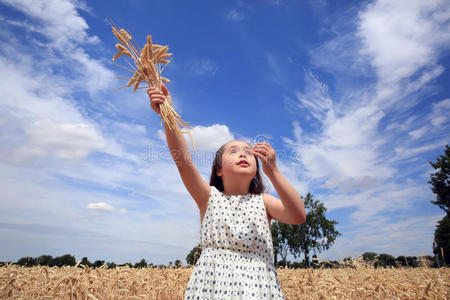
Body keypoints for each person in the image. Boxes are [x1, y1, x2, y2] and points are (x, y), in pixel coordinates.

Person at [148, 85, 306, 299]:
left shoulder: (264, 202)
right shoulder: (208, 197)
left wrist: (274, 171)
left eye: (249, 153)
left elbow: (298, 216)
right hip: (210, 288)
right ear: (219, 170)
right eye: (234, 151)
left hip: (259, 290)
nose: (243, 154)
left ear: (257, 169)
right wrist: (167, 113)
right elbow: (183, 162)